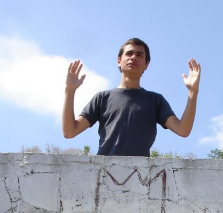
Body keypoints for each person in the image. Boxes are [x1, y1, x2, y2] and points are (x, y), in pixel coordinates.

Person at [62, 38, 201, 157]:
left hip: (141, 177)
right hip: (103, 174)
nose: (133, 57)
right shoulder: (102, 98)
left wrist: (192, 92)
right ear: (119, 60)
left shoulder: (155, 101)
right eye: (129, 53)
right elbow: (69, 132)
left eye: (139, 55)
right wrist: (70, 90)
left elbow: (183, 130)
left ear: (146, 64)